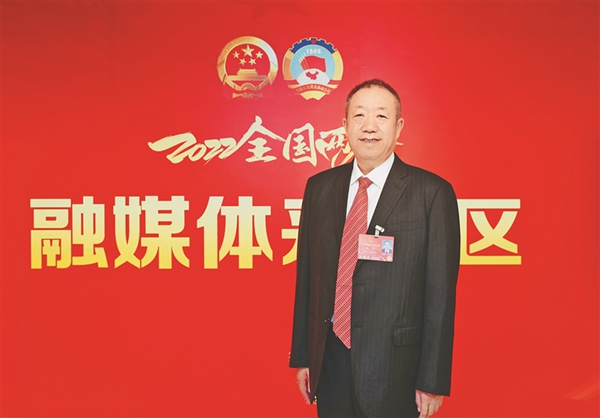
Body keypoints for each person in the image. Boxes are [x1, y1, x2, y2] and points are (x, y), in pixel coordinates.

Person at [290, 79, 460, 418]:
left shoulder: (431, 193)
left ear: (398, 126)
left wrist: (432, 379)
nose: (369, 126)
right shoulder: (319, 188)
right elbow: (307, 278)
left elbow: (440, 295)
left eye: (381, 116)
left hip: (397, 367)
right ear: (345, 125)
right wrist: (304, 356)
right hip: (330, 360)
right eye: (359, 115)